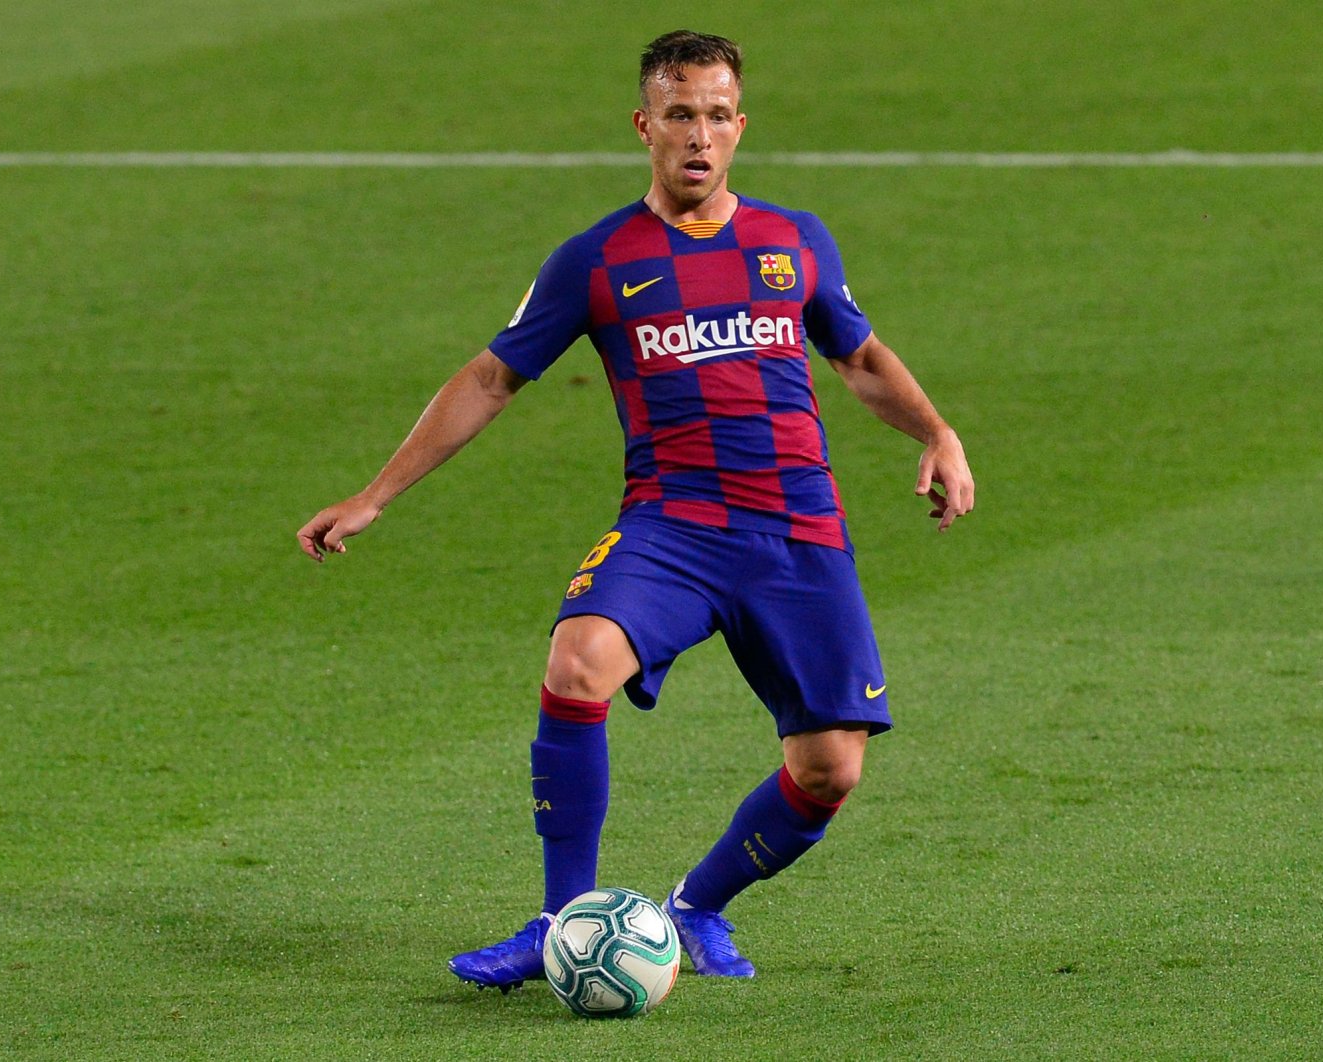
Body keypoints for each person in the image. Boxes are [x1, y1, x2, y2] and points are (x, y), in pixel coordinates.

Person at [296, 29, 974, 989]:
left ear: (740, 125)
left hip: (797, 534)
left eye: (715, 115)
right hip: (672, 527)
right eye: (678, 115)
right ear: (644, 126)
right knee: (577, 664)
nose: (698, 136)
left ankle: (695, 910)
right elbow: (492, 379)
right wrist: (374, 495)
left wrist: (937, 433)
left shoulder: (794, 240)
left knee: (830, 770)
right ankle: (558, 922)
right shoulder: (599, 258)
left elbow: (859, 359)